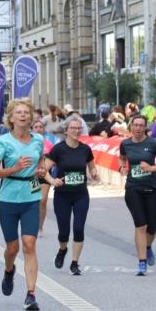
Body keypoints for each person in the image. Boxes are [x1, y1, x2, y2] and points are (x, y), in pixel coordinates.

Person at [0, 98, 50, 311]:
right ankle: (9, 270)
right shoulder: (3, 141)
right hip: (8, 198)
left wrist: (41, 169)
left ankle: (31, 294)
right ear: (11, 117)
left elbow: (41, 160)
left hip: (31, 197)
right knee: (12, 248)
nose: (23, 115)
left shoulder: (38, 139)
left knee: (29, 244)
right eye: (19, 112)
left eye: (27, 112)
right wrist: (14, 168)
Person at [118, 114, 156, 276]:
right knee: (140, 225)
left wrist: (151, 168)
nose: (138, 129)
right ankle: (142, 262)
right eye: (136, 125)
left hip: (152, 189)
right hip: (133, 188)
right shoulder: (125, 143)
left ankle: (147, 247)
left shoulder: (152, 143)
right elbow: (121, 160)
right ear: (131, 127)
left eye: (141, 126)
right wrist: (122, 168)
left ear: (145, 128)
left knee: (152, 227)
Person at [46, 117, 99, 275]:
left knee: (78, 228)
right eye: (73, 128)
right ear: (66, 131)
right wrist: (53, 180)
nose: (77, 131)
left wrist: (95, 174)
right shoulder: (58, 149)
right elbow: (44, 169)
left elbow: (92, 167)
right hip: (62, 196)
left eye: (79, 128)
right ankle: (62, 250)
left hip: (81, 195)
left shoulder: (85, 149)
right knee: (63, 232)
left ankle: (75, 263)